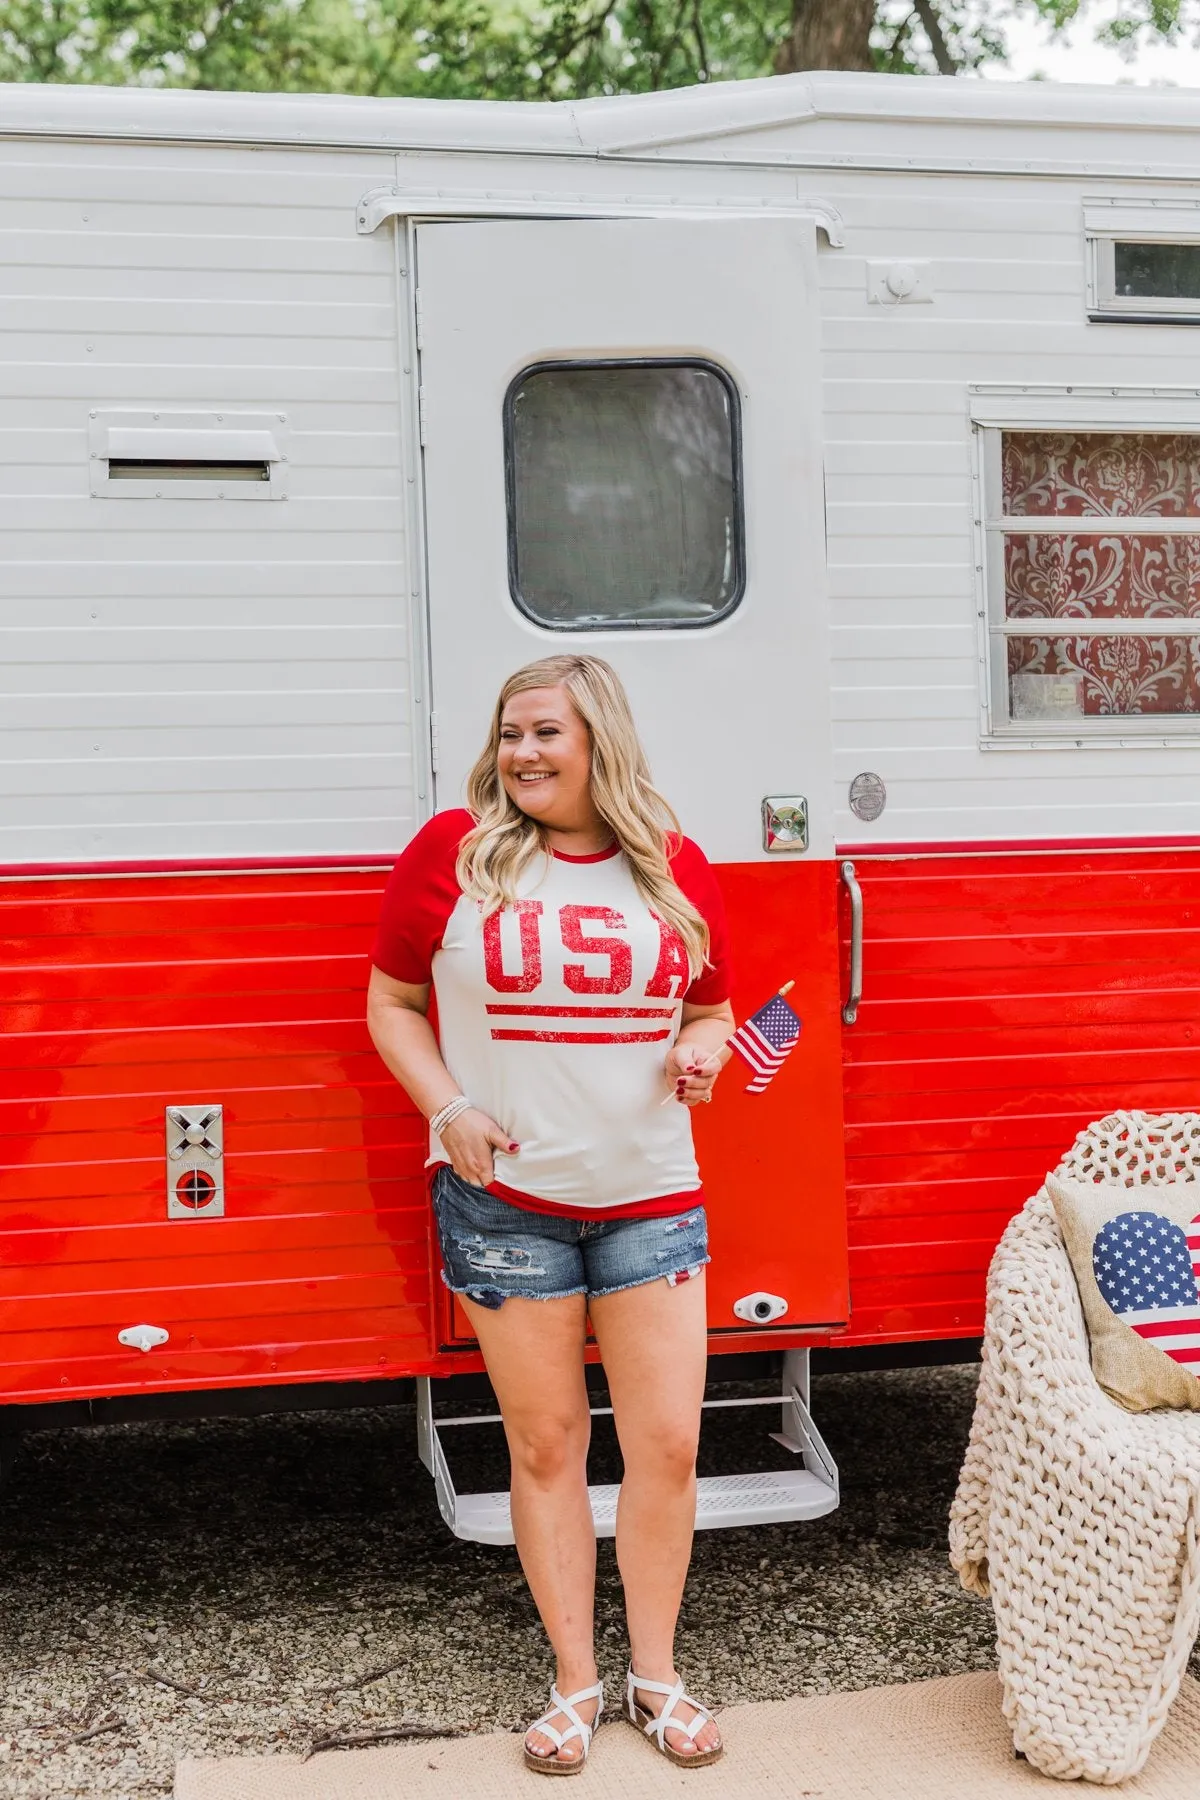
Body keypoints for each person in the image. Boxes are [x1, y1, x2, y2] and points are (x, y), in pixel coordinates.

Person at [367, 653, 734, 1774]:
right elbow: (390, 1003)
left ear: (597, 742)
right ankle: (576, 1682)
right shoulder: (455, 856)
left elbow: (714, 1005)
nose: (521, 753)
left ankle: (658, 1677)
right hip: (508, 1206)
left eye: (545, 734)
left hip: (652, 1201)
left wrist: (704, 1047)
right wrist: (450, 1106)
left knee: (667, 1448)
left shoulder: (673, 862)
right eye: (510, 733)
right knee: (547, 1446)